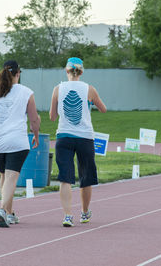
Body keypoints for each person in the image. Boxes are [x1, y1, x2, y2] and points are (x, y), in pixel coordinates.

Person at [0, 60, 41, 228]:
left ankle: (10, 214)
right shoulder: (26, 92)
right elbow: (34, 119)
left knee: (4, 176)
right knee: (11, 177)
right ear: (18, 73)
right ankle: (2, 209)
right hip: (17, 142)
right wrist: (36, 134)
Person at [49, 57, 107, 227]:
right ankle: (84, 212)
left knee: (65, 178)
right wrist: (88, 104)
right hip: (85, 137)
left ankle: (67, 216)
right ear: (81, 72)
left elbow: (52, 117)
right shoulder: (89, 89)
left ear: (66, 70)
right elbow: (103, 109)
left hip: (64, 136)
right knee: (86, 176)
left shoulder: (57, 89)